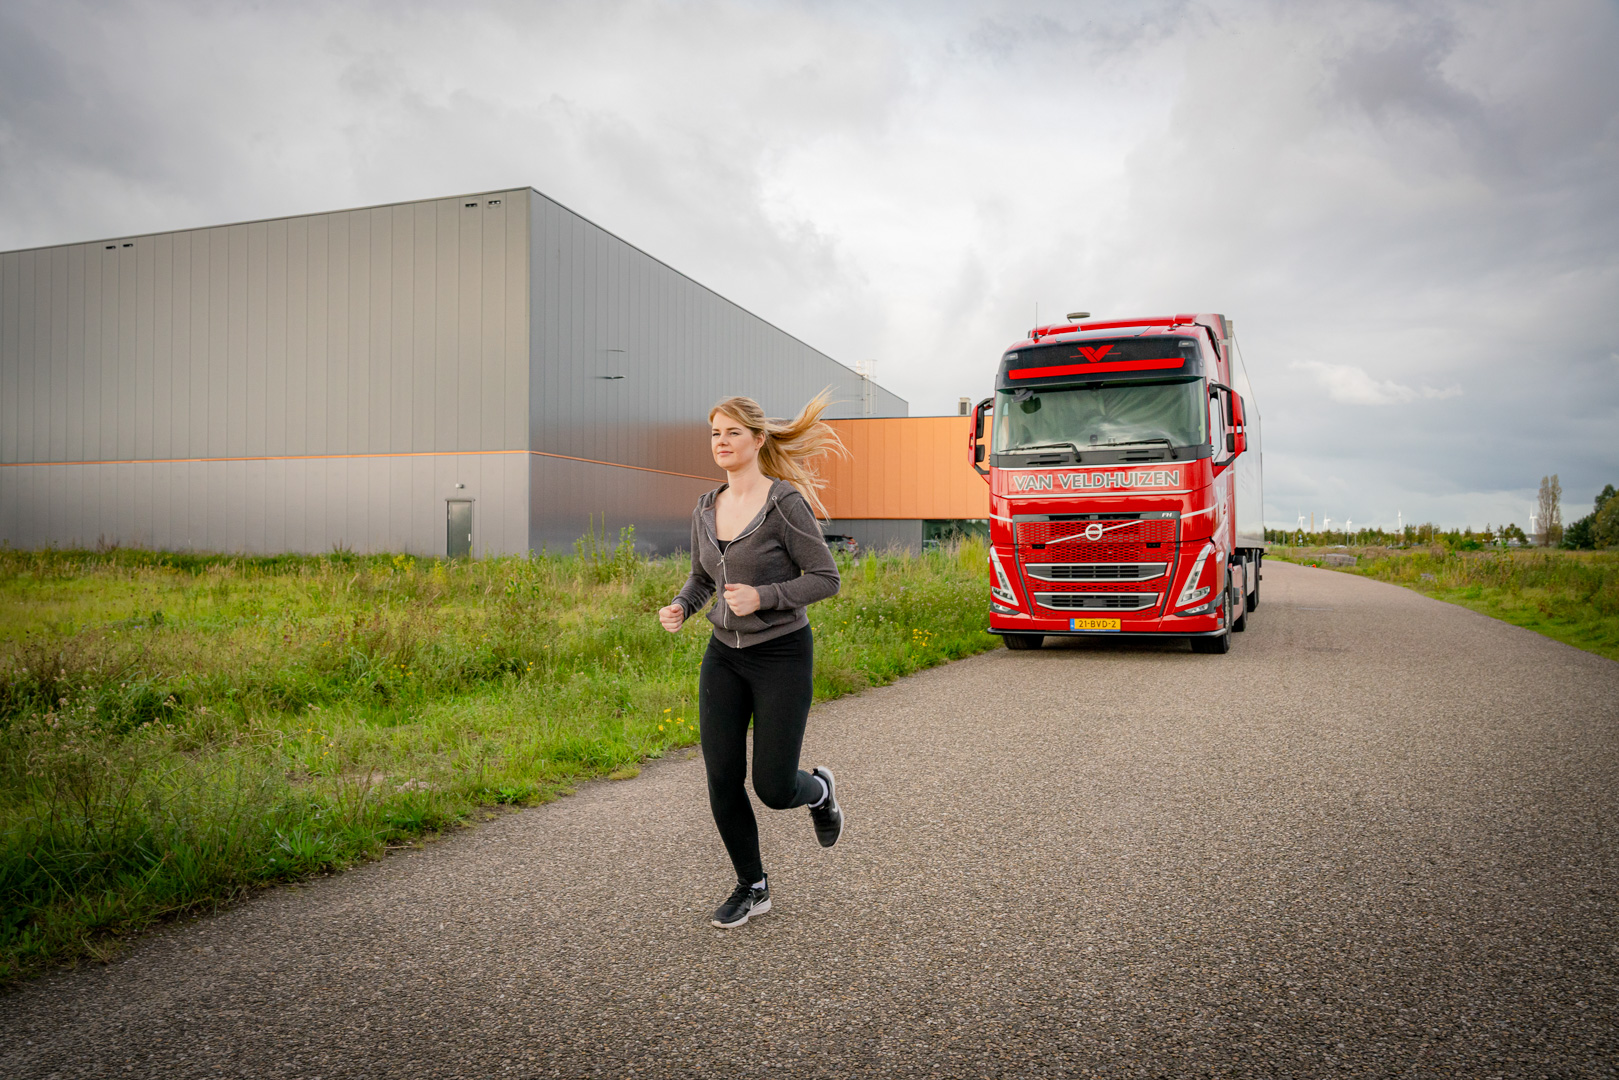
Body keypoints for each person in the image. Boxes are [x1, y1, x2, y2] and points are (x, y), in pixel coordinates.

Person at [657, 392, 846, 929]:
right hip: (724, 656)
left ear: (758, 440)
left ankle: (820, 791)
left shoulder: (783, 503)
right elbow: (702, 578)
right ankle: (752, 885)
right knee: (721, 776)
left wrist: (764, 596)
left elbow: (826, 578)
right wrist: (682, 606)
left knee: (774, 787)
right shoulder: (705, 506)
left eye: (733, 432)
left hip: (781, 654)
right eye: (715, 433)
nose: (721, 442)